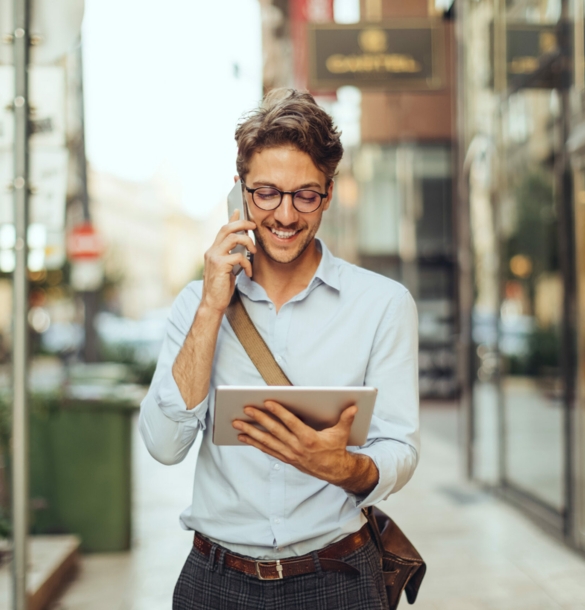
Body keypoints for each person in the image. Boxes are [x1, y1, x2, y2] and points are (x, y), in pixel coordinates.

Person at [139, 88, 420, 610]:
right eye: (266, 192)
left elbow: (399, 448)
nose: (285, 215)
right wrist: (210, 309)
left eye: (305, 195)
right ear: (240, 193)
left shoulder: (383, 304)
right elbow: (163, 445)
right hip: (216, 581)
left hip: (338, 576)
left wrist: (343, 467)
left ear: (329, 193)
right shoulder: (196, 305)